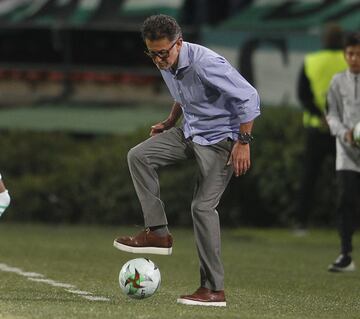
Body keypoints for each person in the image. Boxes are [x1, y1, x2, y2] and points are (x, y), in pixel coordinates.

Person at [113, 14, 260, 306]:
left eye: (163, 53)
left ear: (179, 43)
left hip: (221, 142)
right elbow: (184, 92)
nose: (157, 60)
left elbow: (249, 97)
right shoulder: (167, 60)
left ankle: (213, 290)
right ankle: (158, 233)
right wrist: (170, 121)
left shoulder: (206, 63)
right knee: (139, 156)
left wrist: (243, 143)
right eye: (152, 53)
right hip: (189, 133)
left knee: (202, 208)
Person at [293, 24, 347, 234]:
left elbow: (303, 95)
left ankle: (300, 223)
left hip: (317, 129)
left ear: (324, 40)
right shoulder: (350, 61)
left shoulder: (311, 61)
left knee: (309, 178)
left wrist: (320, 115)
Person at [326, 32, 360, 272]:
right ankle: (345, 254)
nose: (355, 58)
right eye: (351, 53)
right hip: (346, 152)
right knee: (345, 201)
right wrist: (344, 133)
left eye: (359, 54)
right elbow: (331, 114)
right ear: (344, 54)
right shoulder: (337, 82)